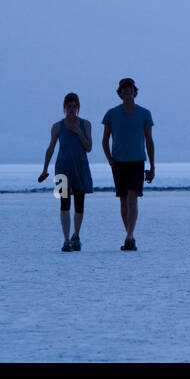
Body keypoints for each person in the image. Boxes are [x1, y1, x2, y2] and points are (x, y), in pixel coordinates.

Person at [102, 77, 155, 251]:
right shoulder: (111, 114)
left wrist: (152, 167)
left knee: (133, 199)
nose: (127, 91)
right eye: (124, 89)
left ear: (134, 91)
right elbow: (104, 141)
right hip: (118, 163)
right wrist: (110, 160)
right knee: (123, 202)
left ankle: (129, 236)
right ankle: (129, 236)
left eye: (130, 89)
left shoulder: (144, 114)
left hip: (137, 161)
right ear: (120, 92)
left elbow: (149, 140)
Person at [39, 92, 94, 251]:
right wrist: (44, 169)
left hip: (80, 167)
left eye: (74, 106)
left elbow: (89, 147)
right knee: (64, 203)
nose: (71, 109)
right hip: (62, 168)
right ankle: (66, 239)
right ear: (64, 107)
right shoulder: (57, 126)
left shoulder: (85, 124)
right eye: (69, 106)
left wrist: (78, 131)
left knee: (79, 203)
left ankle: (76, 236)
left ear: (78, 107)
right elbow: (50, 148)